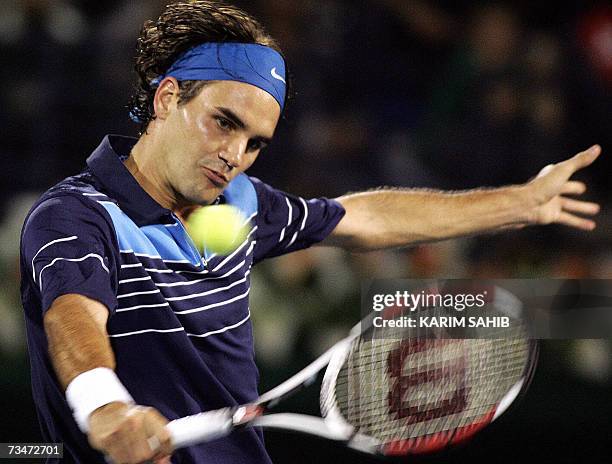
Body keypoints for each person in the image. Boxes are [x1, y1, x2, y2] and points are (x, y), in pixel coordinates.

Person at [19, 1, 602, 463]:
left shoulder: (243, 203)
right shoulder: (75, 216)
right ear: (167, 97)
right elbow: (73, 319)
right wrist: (108, 411)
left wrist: (520, 202)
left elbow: (364, 217)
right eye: (224, 122)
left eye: (254, 143)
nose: (234, 156)